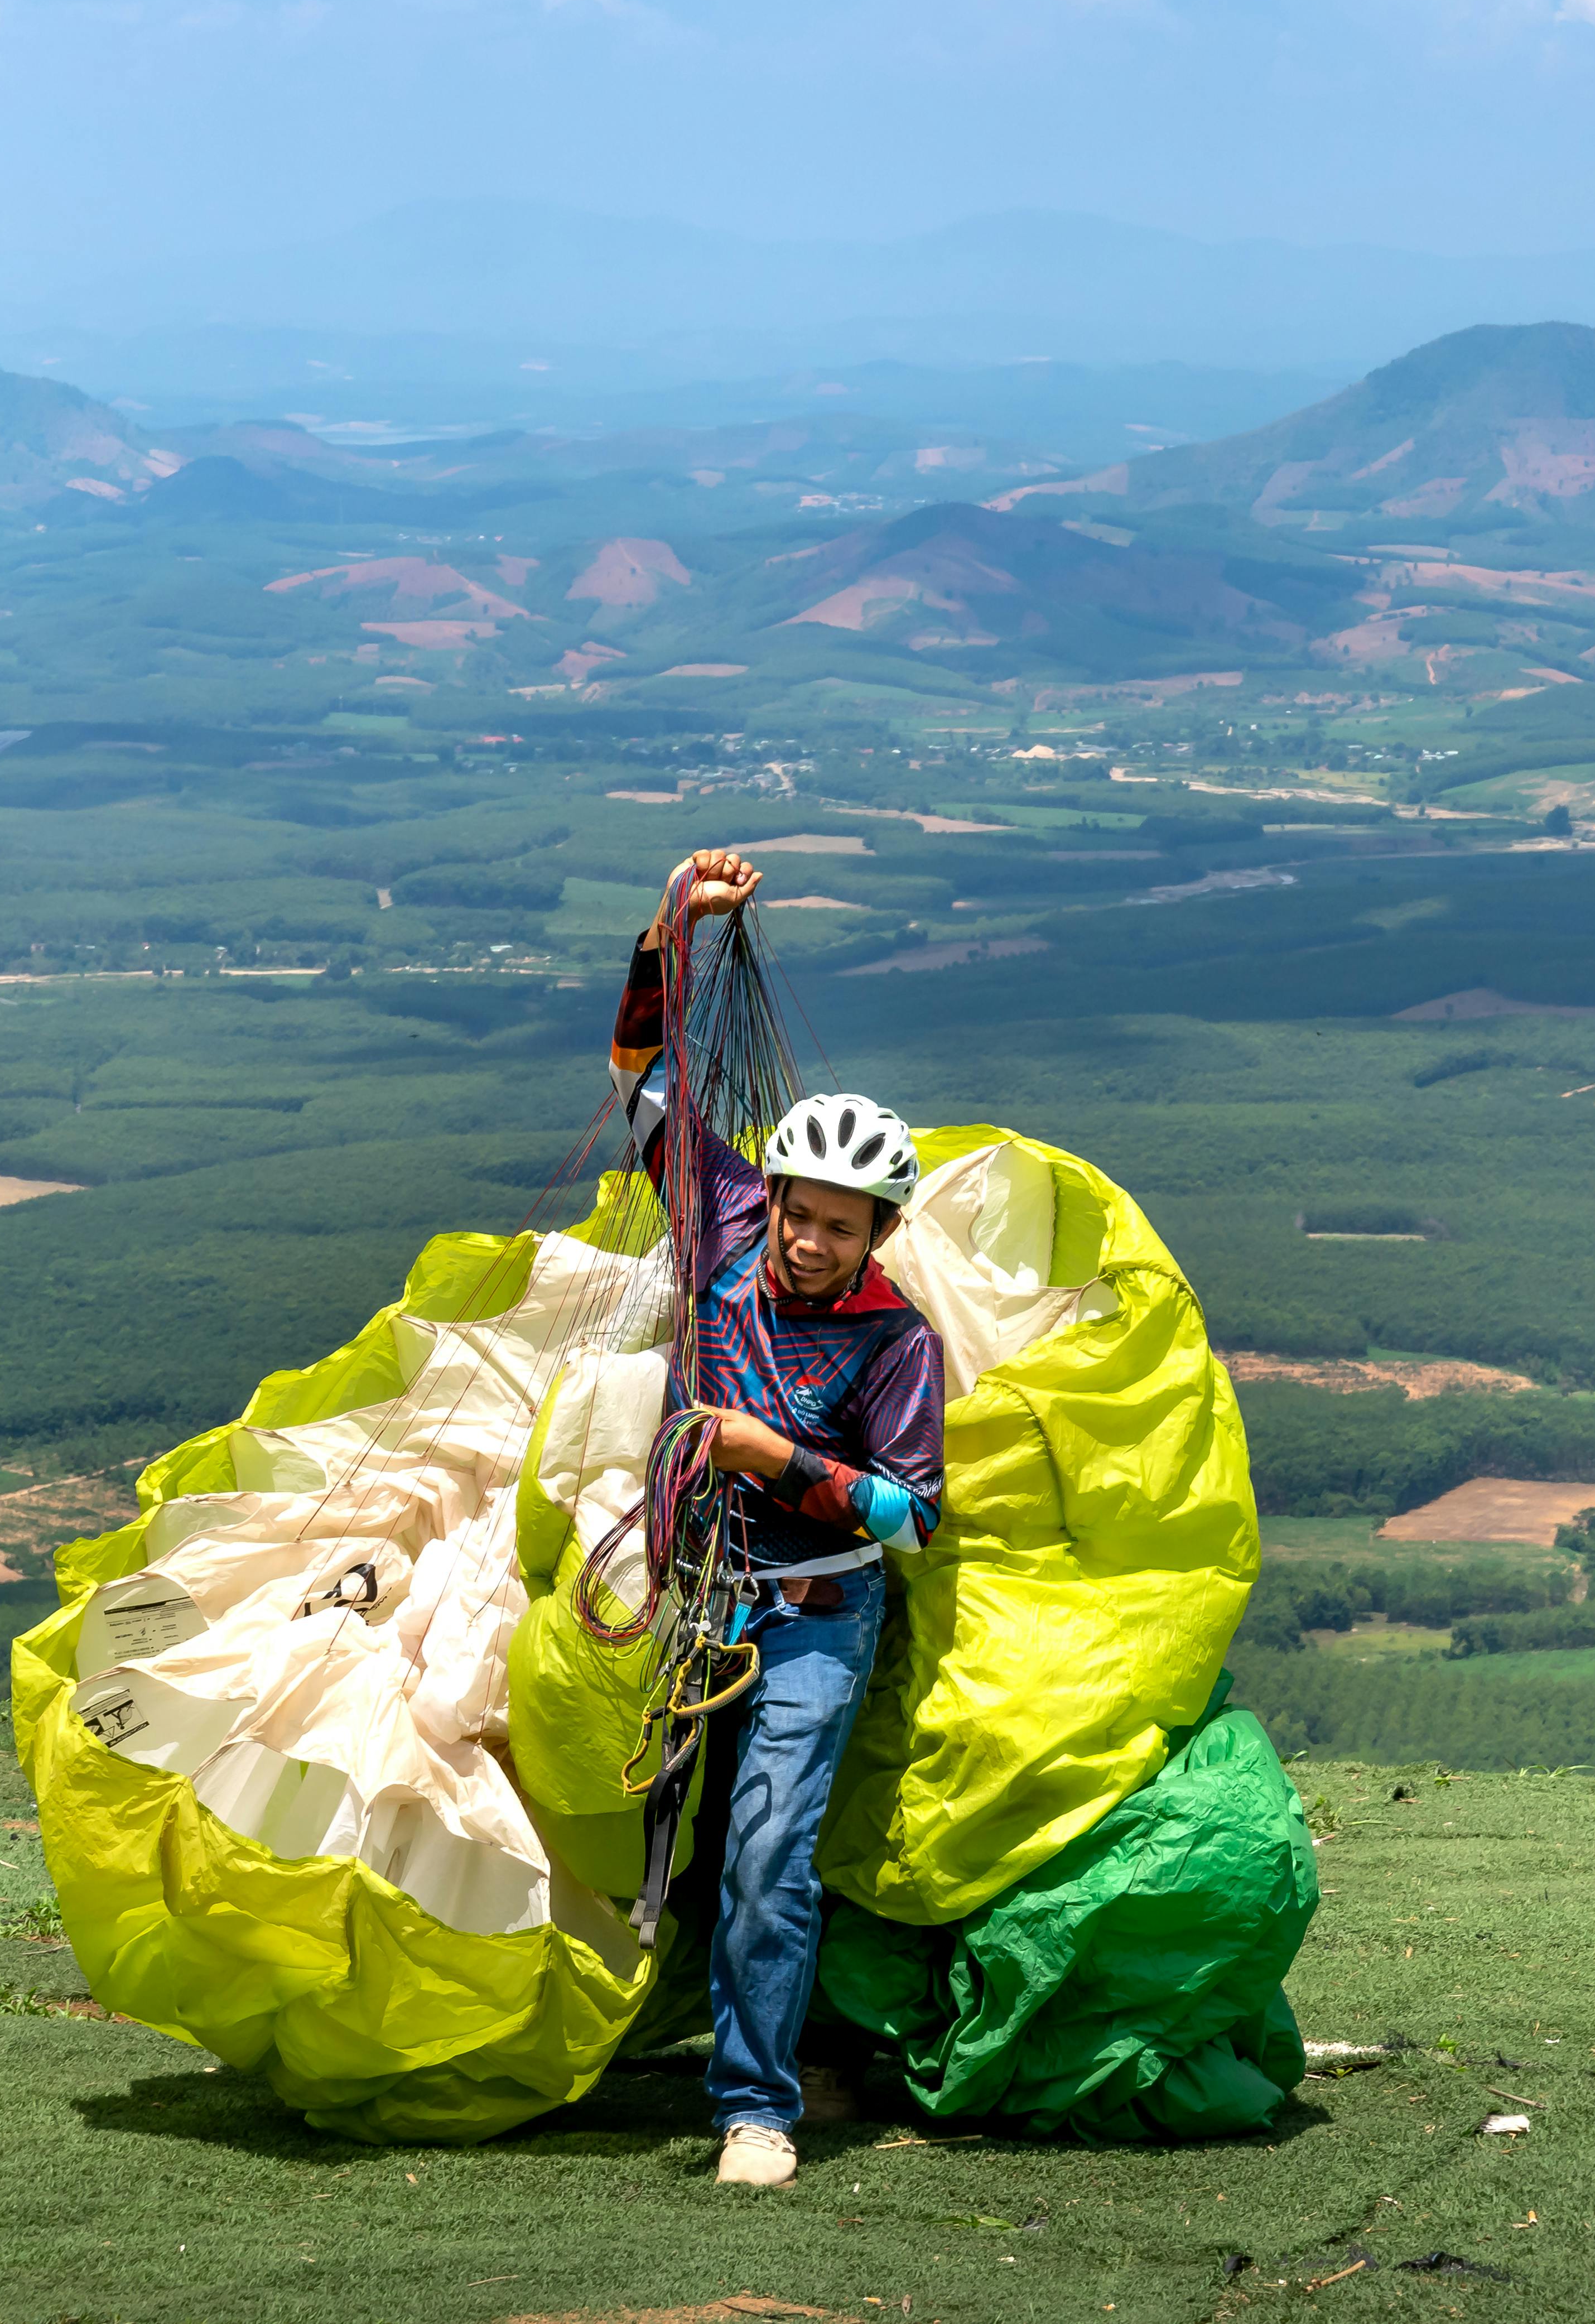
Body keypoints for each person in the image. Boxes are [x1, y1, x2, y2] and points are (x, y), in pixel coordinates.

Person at [609, 847, 946, 2190]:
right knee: (644, 1829)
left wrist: (776, 1455)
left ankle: (758, 2107)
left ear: (877, 1230)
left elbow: (908, 1515)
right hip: (694, 1588)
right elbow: (638, 1075)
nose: (806, 1242)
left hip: (814, 1605)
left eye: (837, 1227)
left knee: (764, 1848)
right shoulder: (720, 1212)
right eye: (798, 1216)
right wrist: (671, 919)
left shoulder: (894, 1342)